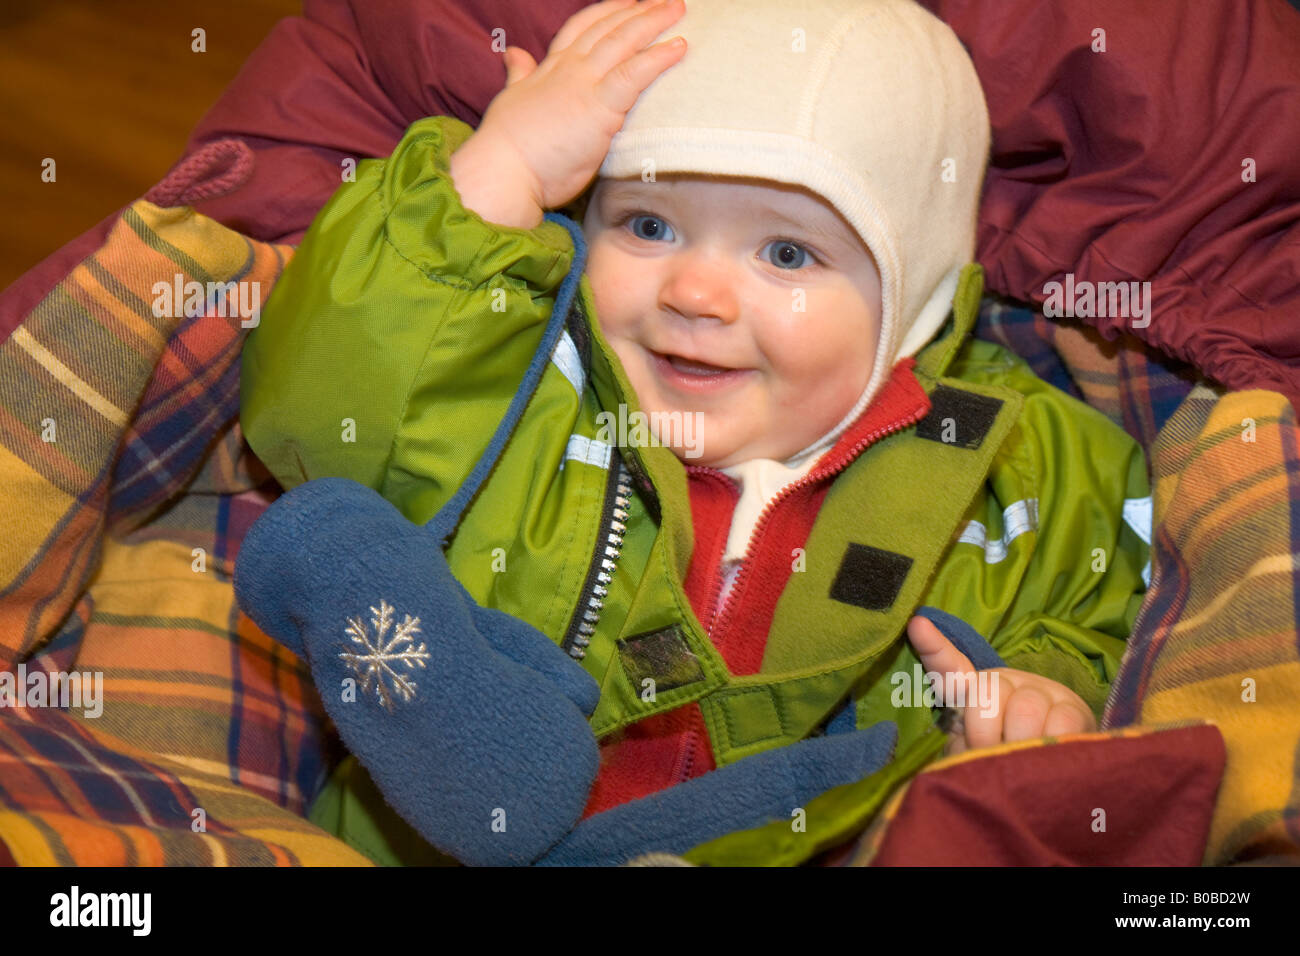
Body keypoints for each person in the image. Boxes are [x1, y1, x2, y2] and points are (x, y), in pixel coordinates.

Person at [238, 0, 1151, 864]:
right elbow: (312, 412)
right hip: (434, 841)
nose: (695, 295)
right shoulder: (522, 383)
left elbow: (1113, 608)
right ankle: (464, 722)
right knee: (343, 525)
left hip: (814, 835)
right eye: (648, 224)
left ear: (912, 302)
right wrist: (500, 170)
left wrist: (1044, 684)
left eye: (787, 254)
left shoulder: (1018, 462)